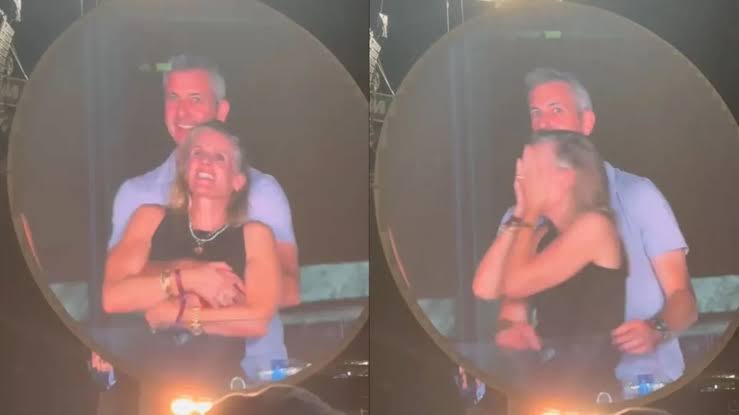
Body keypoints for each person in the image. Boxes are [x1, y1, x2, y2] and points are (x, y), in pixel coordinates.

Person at [93, 53, 300, 384]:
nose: (182, 112)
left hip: (253, 373)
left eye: (195, 99)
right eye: (173, 98)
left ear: (222, 110)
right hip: (161, 372)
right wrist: (190, 274)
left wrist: (184, 307)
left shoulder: (263, 191)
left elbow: (287, 290)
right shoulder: (136, 195)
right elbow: (115, 291)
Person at [491, 68, 697, 398]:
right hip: (566, 395)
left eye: (556, 110)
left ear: (586, 122)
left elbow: (684, 299)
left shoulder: (637, 195)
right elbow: (510, 311)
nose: (544, 122)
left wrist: (657, 329)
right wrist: (510, 334)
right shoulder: (520, 217)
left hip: (645, 391)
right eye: (536, 113)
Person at [102, 121, 285, 392]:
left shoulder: (255, 235)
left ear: (238, 181)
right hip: (145, 381)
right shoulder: (149, 218)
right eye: (198, 153)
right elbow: (113, 297)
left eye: (219, 157)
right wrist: (189, 279)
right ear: (185, 167)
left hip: (219, 388)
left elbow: (256, 320)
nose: (206, 162)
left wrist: (179, 314)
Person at [473, 130, 627, 404]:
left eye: (534, 170)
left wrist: (530, 211)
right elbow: (485, 288)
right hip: (548, 386)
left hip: (590, 392)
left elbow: (516, 284)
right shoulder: (541, 235)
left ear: (566, 177)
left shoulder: (596, 226)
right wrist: (520, 212)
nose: (524, 178)